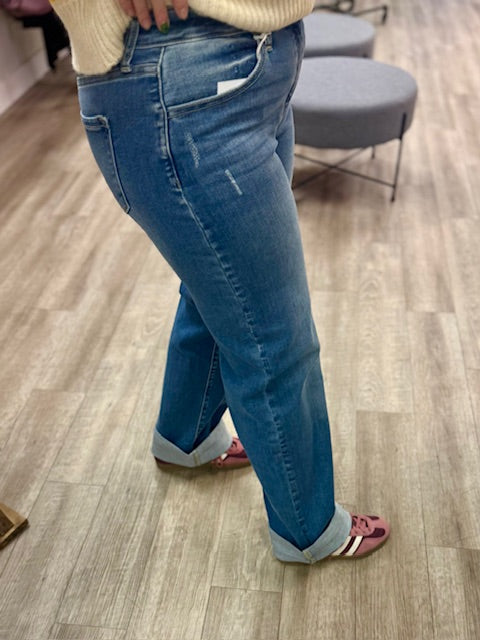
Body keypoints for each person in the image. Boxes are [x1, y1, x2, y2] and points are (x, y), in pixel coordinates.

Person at [50, 0, 390, 563]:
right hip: (180, 79)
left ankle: (185, 438)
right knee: (274, 335)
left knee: (222, 288)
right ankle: (309, 530)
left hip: (255, 60)